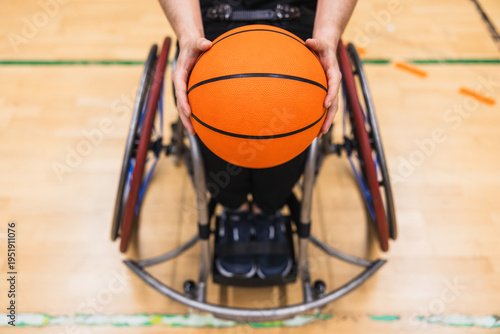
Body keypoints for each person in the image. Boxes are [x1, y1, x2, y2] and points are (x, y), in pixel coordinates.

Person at [159, 0, 357, 279]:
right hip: (211, 26)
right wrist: (189, 35)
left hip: (298, 25)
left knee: (285, 107)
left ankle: (269, 205)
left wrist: (328, 36)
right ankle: (234, 206)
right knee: (218, 106)